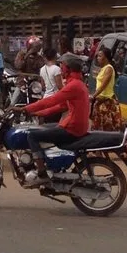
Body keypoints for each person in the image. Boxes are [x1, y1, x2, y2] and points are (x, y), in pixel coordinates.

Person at [16, 52, 91, 181]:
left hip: (72, 127)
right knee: (43, 128)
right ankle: (49, 163)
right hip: (75, 125)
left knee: (32, 135)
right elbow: (61, 106)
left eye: (62, 66)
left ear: (68, 68)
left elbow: (51, 101)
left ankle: (41, 171)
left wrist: (26, 109)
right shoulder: (77, 83)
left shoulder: (73, 86)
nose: (61, 69)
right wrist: (38, 113)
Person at [90, 45, 122, 131]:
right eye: (97, 56)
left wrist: (93, 96)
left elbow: (103, 86)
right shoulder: (103, 68)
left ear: (106, 57)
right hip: (100, 100)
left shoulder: (109, 69)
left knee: (107, 126)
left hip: (107, 101)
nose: (98, 58)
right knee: (98, 125)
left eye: (100, 56)